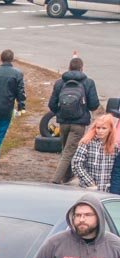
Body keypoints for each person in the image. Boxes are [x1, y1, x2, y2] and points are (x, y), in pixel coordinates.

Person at [30, 196, 120, 258]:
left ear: (99, 217)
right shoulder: (55, 243)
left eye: (88, 215)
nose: (82, 219)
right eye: (78, 215)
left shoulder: (115, 245)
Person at [49, 56, 100, 185]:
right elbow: (94, 105)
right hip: (79, 124)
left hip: (63, 122)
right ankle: (55, 181)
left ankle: (66, 178)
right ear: (82, 68)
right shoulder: (88, 82)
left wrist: (60, 112)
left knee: (66, 150)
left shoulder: (60, 83)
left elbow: (52, 104)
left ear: (69, 68)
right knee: (68, 152)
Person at [71, 114, 116, 192]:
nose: (100, 131)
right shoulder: (86, 143)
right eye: (98, 128)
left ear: (110, 129)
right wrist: (91, 183)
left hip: (107, 190)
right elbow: (76, 164)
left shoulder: (115, 147)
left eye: (104, 128)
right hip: (88, 188)